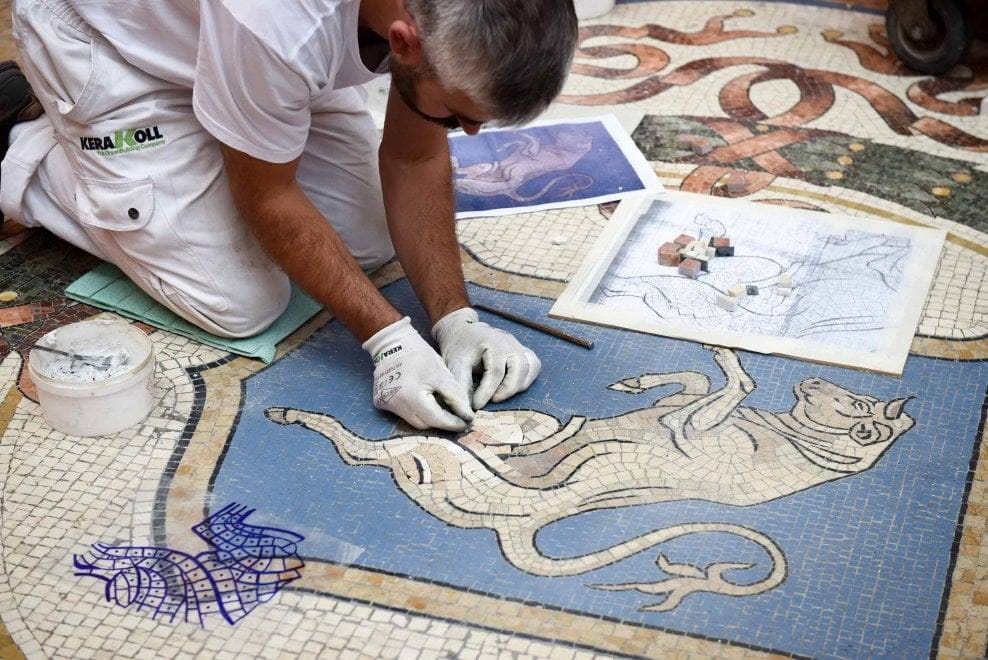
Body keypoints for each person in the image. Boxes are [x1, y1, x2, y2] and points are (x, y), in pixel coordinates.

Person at [0, 0, 579, 431]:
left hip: (232, 41)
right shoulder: (280, 24)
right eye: (458, 116)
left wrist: (456, 318)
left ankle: (228, 122)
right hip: (109, 40)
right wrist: (390, 342)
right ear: (404, 41)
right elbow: (268, 197)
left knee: (370, 241)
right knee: (238, 302)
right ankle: (24, 135)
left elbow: (414, 153)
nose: (471, 134)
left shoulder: (425, 25)